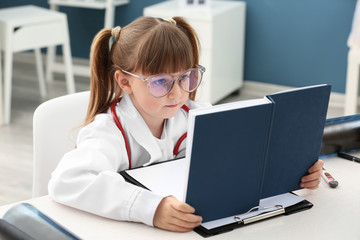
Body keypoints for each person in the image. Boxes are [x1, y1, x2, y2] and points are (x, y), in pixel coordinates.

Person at [48, 16, 324, 233]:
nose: (177, 93)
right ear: (124, 82)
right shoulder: (107, 132)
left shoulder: (196, 114)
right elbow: (67, 181)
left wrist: (294, 172)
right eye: (160, 81)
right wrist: (150, 208)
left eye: (186, 77)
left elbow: (242, 159)